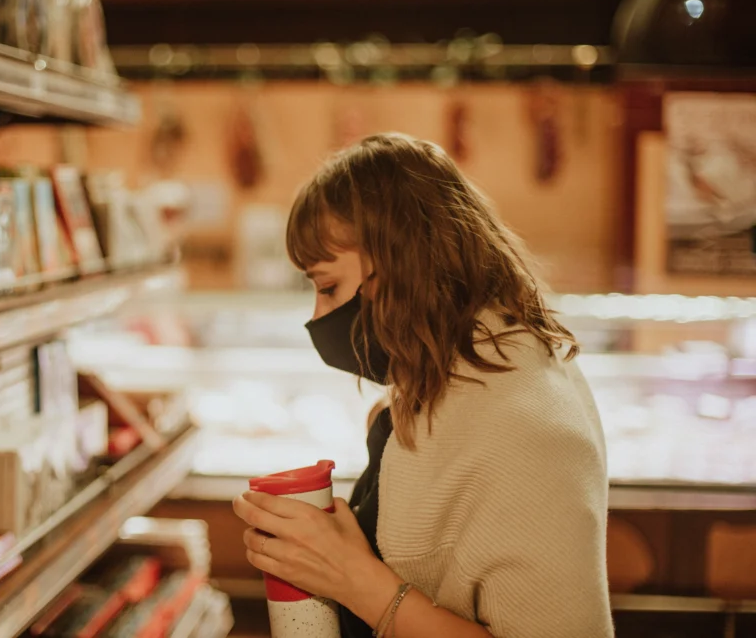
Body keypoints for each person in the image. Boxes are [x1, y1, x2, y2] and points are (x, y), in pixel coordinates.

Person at [232, 133, 613, 637]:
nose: (319, 316)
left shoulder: (525, 428)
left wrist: (357, 581)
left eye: (328, 287)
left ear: (403, 265)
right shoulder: (435, 389)